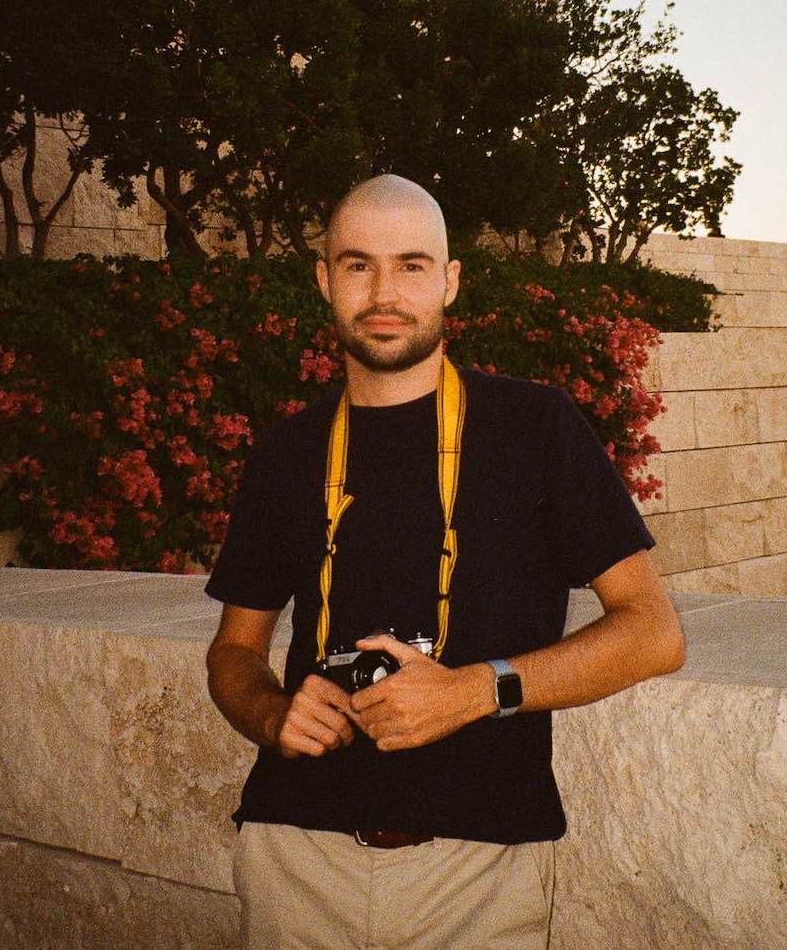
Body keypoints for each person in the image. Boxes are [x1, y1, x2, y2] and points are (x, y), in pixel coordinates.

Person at [204, 174, 686, 948]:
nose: (384, 291)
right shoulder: (287, 452)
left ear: (451, 282)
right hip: (296, 860)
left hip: (478, 872)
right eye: (358, 265)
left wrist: (475, 692)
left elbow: (653, 632)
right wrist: (270, 713)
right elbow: (234, 651)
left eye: (413, 265)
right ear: (324, 280)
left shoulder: (536, 427)